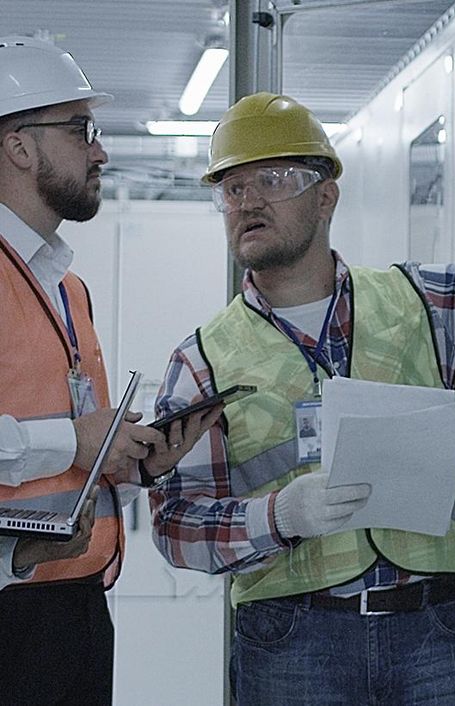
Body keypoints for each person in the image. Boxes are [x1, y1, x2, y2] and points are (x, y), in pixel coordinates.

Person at [149, 91, 455, 705]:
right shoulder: (203, 361)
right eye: (231, 188)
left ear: (325, 195)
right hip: (293, 642)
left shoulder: (422, 303)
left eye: (271, 179)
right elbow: (173, 524)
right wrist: (277, 518)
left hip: (439, 627)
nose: (247, 200)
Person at [0, 36, 222, 706]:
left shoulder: (70, 291)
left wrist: (130, 464)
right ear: (19, 146)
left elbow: (75, 463)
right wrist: (74, 440)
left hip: (75, 610)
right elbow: (70, 438)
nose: (100, 151)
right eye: (81, 130)